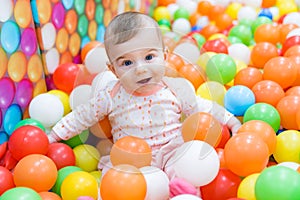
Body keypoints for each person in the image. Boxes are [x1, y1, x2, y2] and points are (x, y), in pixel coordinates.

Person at [48, 11, 241, 198]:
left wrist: (231, 121)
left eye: (149, 57)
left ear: (164, 57)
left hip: (170, 150)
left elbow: (202, 107)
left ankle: (182, 192)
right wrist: (54, 135)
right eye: (127, 63)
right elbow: (83, 115)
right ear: (113, 69)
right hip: (131, 159)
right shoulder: (111, 94)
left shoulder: (174, 87)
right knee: (114, 178)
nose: (140, 69)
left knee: (186, 164)